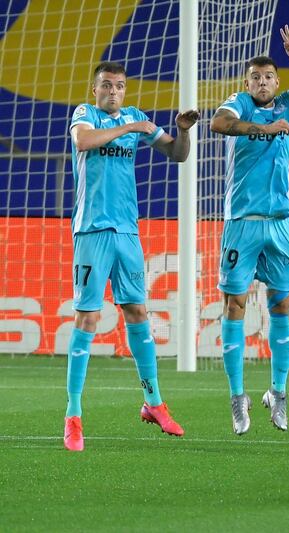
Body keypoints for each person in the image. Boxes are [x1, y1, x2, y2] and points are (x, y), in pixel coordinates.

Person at [65, 61, 199, 451]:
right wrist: (130, 128)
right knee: (88, 316)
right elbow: (84, 142)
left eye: (119, 86)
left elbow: (177, 154)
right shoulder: (84, 115)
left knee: (138, 312)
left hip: (127, 232)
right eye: (106, 86)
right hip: (92, 230)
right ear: (95, 90)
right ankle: (73, 415)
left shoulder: (137, 118)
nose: (113, 92)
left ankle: (153, 402)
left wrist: (182, 131)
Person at [209, 25, 289, 434]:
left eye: (267, 77)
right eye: (255, 78)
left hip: (280, 224)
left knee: (281, 307)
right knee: (235, 307)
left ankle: (278, 394)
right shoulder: (240, 104)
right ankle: (237, 398)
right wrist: (263, 129)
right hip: (241, 224)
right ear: (246, 83)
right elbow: (218, 124)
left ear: (277, 81)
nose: (261, 83)